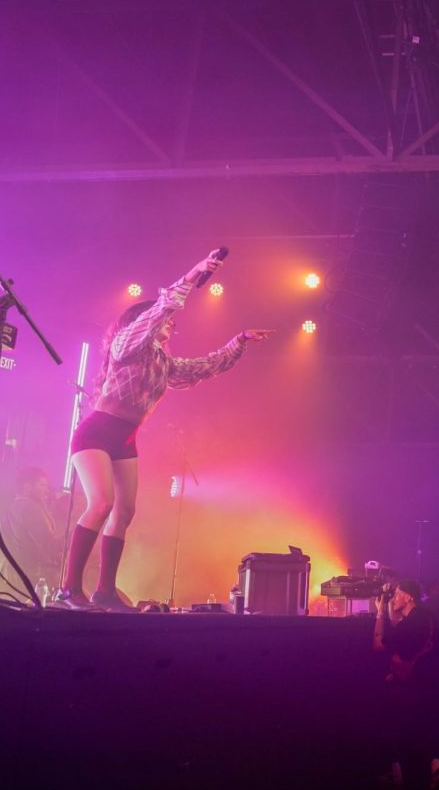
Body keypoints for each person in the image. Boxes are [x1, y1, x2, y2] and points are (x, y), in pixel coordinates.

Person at [54, 251, 274, 611]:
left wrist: (240, 341)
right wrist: (192, 276)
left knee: (124, 511)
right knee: (102, 502)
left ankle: (104, 591)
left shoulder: (162, 362)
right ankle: (68, 588)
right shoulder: (126, 345)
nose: (172, 327)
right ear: (146, 324)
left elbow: (203, 367)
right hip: (95, 433)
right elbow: (159, 312)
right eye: (164, 323)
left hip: (125, 437)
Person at [373, 580, 439, 790]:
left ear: (409, 596)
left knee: (397, 728)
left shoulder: (412, 622)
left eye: (398, 594)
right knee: (420, 729)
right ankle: (435, 767)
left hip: (411, 685)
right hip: (428, 681)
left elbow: (378, 644)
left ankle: (403, 775)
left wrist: (380, 613)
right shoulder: (426, 617)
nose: (394, 597)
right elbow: (399, 629)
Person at [0, 466, 63, 597]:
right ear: (27, 487)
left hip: (13, 576)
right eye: (42, 485)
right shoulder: (29, 508)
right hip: (29, 580)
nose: (46, 490)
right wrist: (77, 533)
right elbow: (49, 544)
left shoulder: (15, 506)